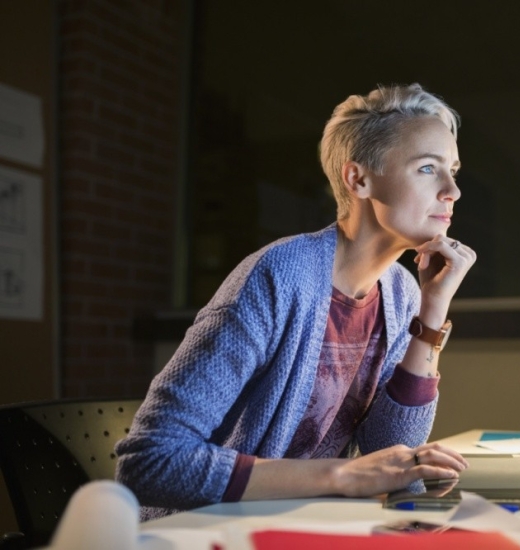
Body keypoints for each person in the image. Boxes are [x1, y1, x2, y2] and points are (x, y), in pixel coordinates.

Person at [115, 83, 477, 520]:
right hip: (204, 532)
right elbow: (149, 461)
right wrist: (341, 477)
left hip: (306, 523)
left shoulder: (400, 293)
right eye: (427, 169)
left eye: (453, 170)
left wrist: (432, 311)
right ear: (358, 179)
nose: (452, 191)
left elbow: (386, 449)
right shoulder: (277, 277)